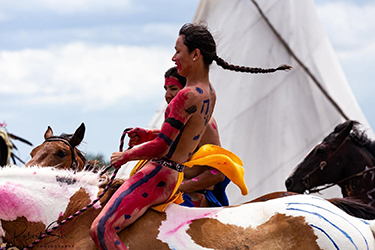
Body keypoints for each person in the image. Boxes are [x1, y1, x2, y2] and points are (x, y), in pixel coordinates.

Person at [90, 22, 291, 250]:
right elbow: (185, 135)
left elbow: (161, 146)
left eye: (178, 51)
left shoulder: (186, 96)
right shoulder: (209, 92)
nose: (174, 58)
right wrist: (147, 133)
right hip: (173, 175)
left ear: (195, 54)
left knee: (101, 228)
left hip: (158, 174)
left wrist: (127, 155)